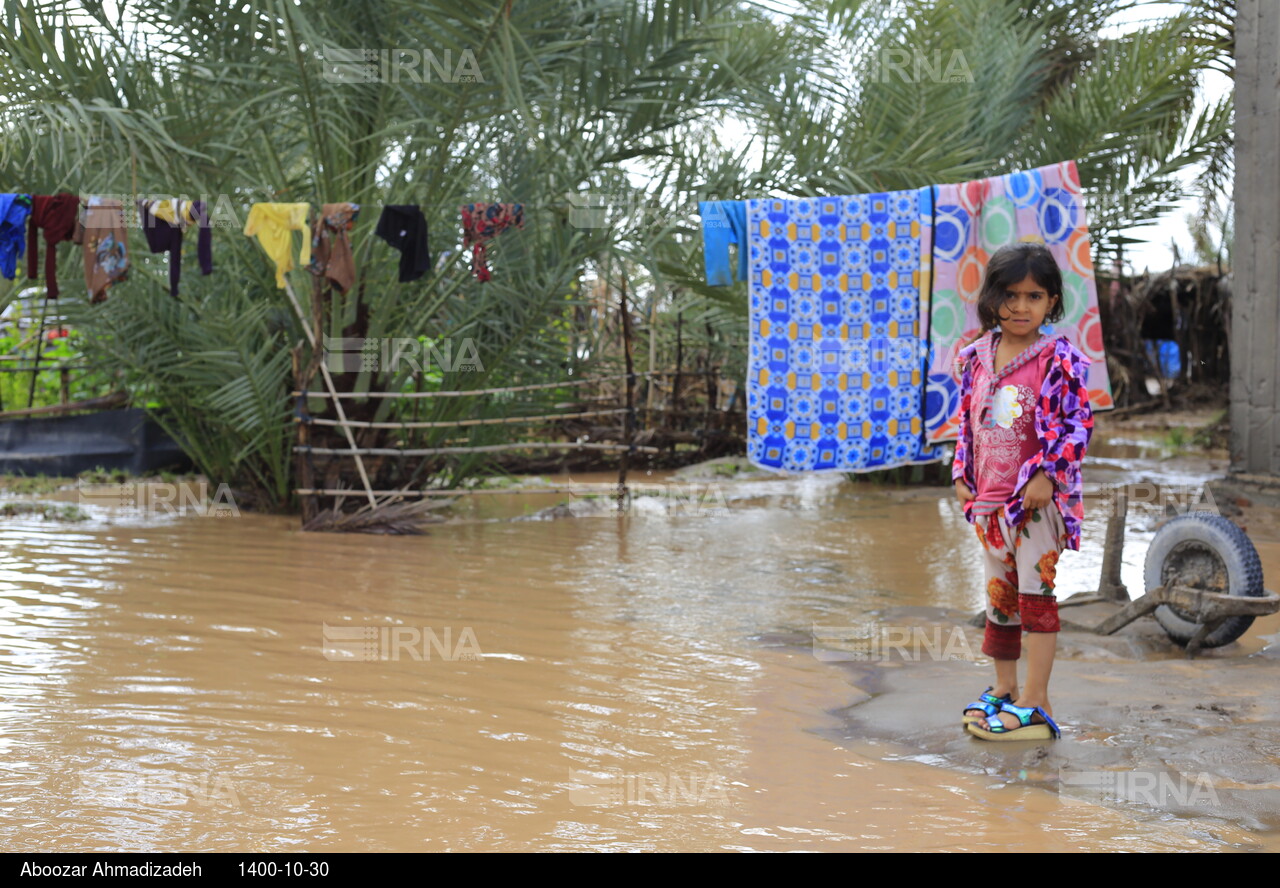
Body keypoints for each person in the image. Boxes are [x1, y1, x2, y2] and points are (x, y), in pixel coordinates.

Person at [951, 242, 1094, 741]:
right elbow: (967, 422)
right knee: (1000, 599)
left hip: (1034, 504)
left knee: (1036, 599)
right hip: (987, 502)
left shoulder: (1059, 359)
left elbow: (1077, 423)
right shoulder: (976, 356)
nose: (1020, 307)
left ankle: (1037, 698)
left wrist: (1046, 476)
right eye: (1009, 295)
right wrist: (963, 476)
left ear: (1052, 301)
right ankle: (1005, 688)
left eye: (1034, 296)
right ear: (992, 298)